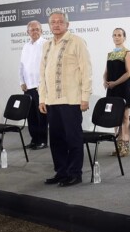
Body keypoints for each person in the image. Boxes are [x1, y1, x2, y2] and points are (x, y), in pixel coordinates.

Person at [39, 11, 92, 187]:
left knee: (73, 138)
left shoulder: (76, 42)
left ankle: (74, 173)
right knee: (55, 139)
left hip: (72, 100)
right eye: (52, 22)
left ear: (67, 24)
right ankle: (61, 172)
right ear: (49, 25)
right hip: (52, 101)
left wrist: (85, 97)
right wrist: (42, 99)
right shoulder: (46, 45)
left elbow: (86, 70)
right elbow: (42, 74)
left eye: (60, 22)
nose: (56, 25)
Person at [103, 27, 130, 157]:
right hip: (112, 90)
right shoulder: (110, 54)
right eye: (114, 35)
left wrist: (115, 82)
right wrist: (105, 81)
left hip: (123, 89)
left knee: (125, 117)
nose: (117, 37)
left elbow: (129, 72)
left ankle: (125, 146)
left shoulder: (127, 53)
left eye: (119, 35)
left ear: (124, 37)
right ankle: (118, 145)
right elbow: (106, 72)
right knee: (115, 118)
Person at [19, 20, 48, 150]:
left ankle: (42, 140)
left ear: (41, 31)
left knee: (41, 115)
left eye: (37, 29)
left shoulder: (46, 44)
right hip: (28, 86)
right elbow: (21, 66)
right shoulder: (26, 46)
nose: (35, 31)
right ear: (28, 32)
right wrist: (21, 81)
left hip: (40, 86)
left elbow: (48, 66)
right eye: (32, 29)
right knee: (31, 115)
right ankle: (34, 139)